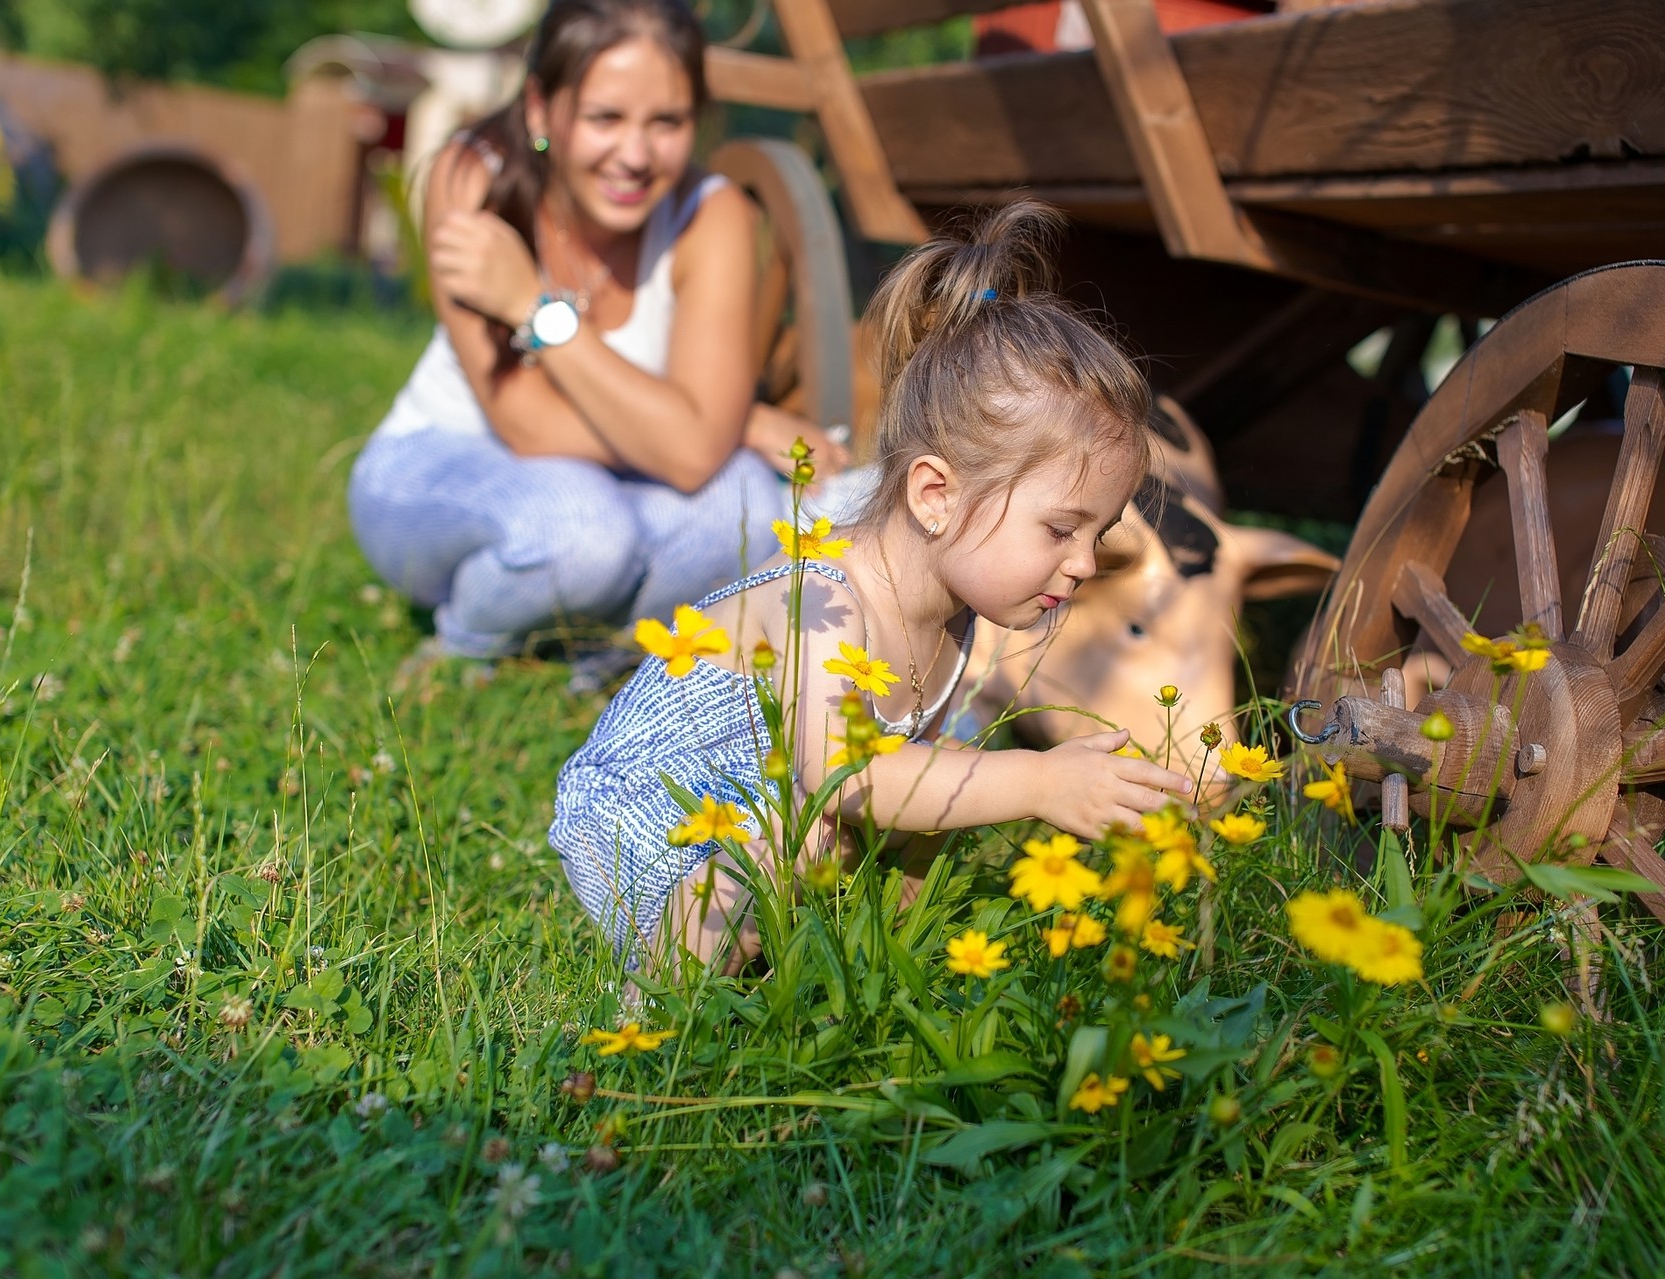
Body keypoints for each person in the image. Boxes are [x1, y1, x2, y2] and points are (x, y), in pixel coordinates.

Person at [550, 200, 1195, 970]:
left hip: (771, 805)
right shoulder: (826, 602)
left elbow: (910, 799)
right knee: (784, 842)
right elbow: (849, 777)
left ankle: (877, 964)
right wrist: (1039, 778)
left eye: (1100, 530)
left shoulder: (956, 620)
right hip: (650, 809)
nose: (1086, 562)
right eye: (1061, 529)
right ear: (934, 495)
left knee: (888, 812)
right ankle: (661, 998)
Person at [347, 0, 843, 687]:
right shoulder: (472, 176)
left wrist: (710, 427)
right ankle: (463, 649)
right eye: (605, 118)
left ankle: (592, 657)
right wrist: (717, 420)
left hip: (621, 483)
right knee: (582, 531)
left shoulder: (714, 213)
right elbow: (526, 424)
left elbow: (698, 453)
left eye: (666, 122)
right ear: (540, 109)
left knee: (753, 508)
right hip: (442, 464)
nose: (635, 156)